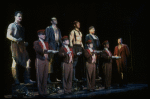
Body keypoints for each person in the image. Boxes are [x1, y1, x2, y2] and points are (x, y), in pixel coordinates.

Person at [6, 11, 34, 85]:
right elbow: (8, 35)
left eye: (21, 16)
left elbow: (21, 38)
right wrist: (16, 40)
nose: (20, 17)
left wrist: (24, 43)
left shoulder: (22, 27)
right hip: (15, 45)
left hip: (22, 46)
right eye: (18, 16)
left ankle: (27, 79)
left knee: (28, 60)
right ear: (15, 17)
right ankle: (16, 80)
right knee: (15, 61)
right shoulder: (12, 25)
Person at [33, 29, 57, 97]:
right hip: (40, 60)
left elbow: (51, 48)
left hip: (46, 60)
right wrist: (47, 50)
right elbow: (38, 49)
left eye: (44, 34)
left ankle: (44, 91)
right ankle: (40, 92)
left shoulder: (46, 43)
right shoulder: (36, 42)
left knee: (45, 76)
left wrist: (52, 51)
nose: (44, 35)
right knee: (40, 76)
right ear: (39, 35)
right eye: (43, 34)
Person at [45, 17, 62, 82]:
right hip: (51, 46)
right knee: (50, 62)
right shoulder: (49, 28)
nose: (56, 21)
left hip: (57, 46)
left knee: (56, 62)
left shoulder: (58, 29)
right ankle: (48, 78)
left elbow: (60, 39)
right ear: (51, 21)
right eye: (54, 20)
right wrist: (47, 48)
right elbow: (47, 38)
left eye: (56, 19)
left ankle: (55, 77)